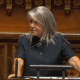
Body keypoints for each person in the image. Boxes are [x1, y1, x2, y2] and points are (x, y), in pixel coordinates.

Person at [8, 6, 80, 79]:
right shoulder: (23, 40)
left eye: (36, 22)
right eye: (31, 21)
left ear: (47, 24)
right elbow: (19, 60)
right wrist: (17, 73)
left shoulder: (60, 39)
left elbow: (73, 60)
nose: (31, 25)